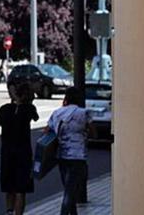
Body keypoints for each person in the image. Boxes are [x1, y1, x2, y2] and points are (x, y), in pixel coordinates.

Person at [0, 83, 38, 215]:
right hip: (24, 154)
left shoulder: (4, 109)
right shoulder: (29, 109)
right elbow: (36, 118)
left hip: (7, 153)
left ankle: (9, 212)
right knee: (21, 189)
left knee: (9, 187)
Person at [46, 87, 94, 215]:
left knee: (69, 189)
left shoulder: (57, 113)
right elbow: (94, 132)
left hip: (61, 155)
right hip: (78, 157)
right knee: (70, 192)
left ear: (66, 98)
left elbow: (47, 131)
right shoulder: (84, 113)